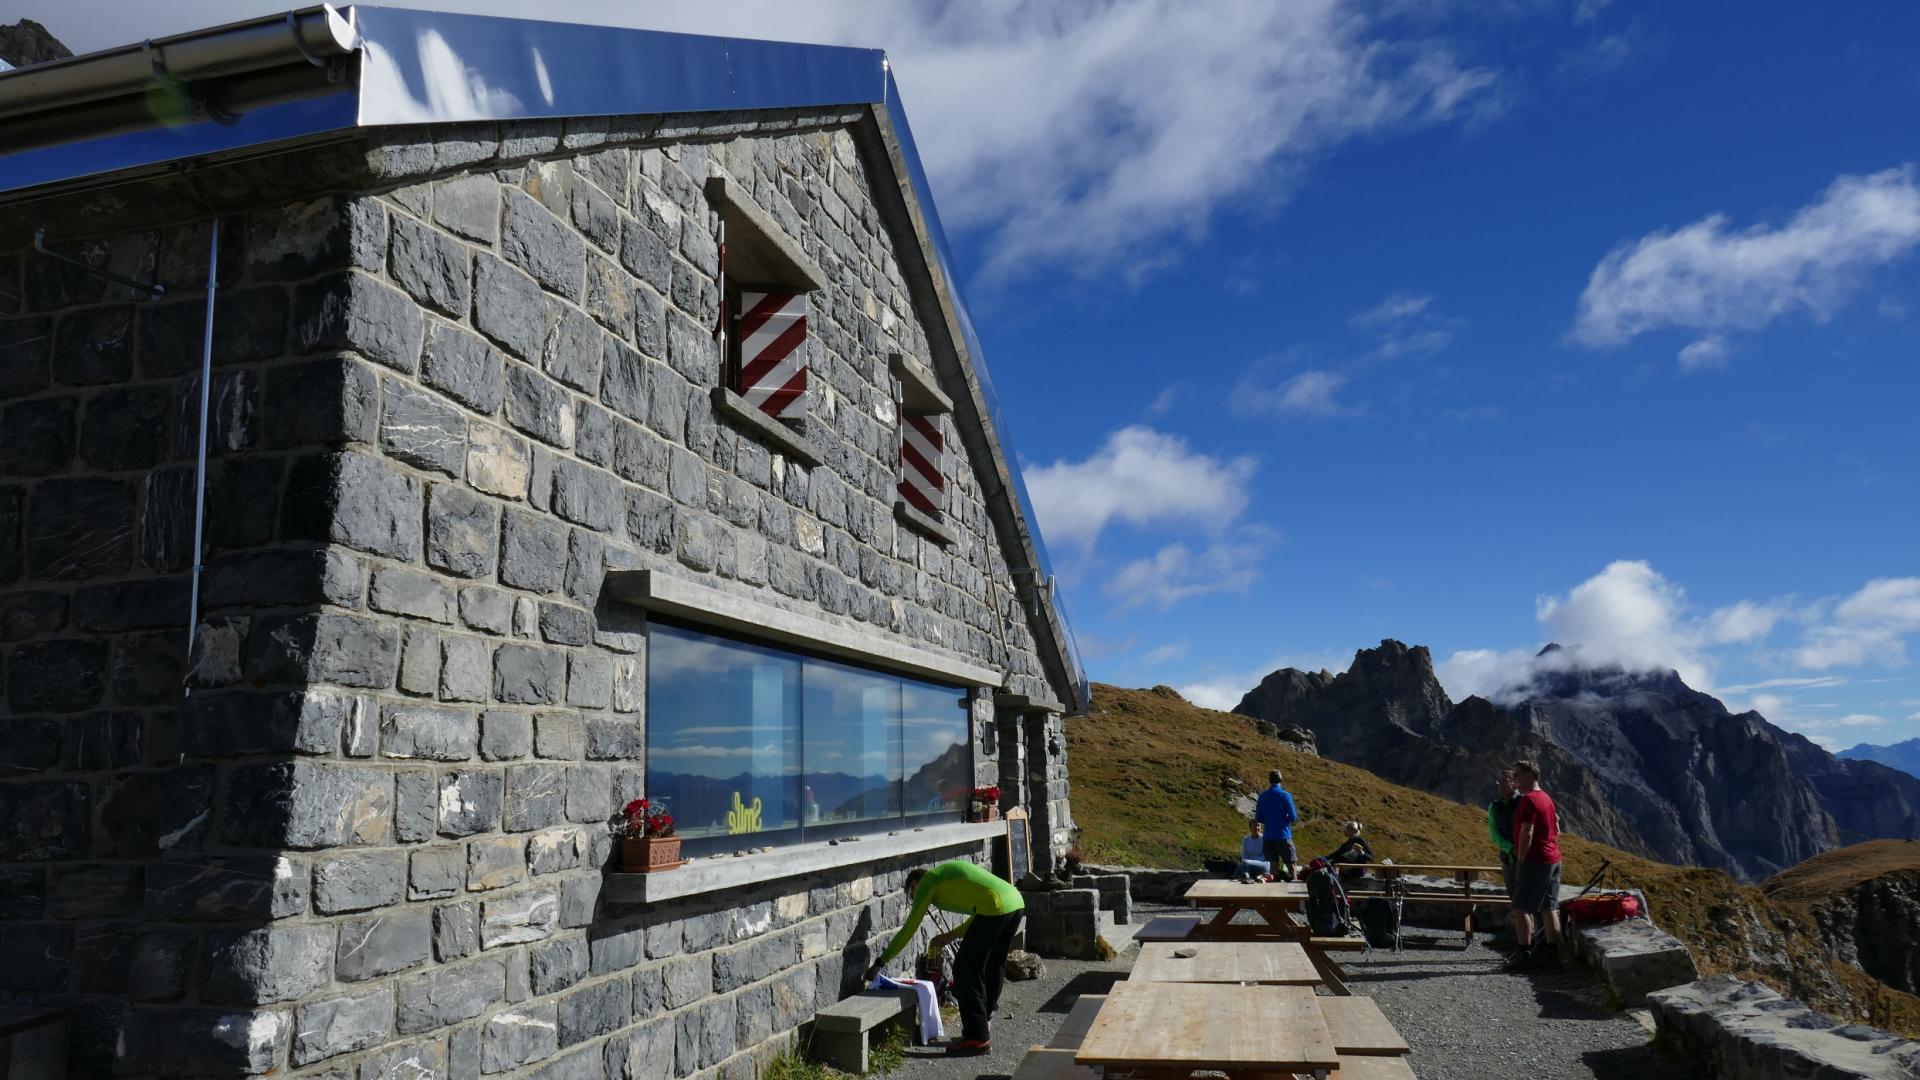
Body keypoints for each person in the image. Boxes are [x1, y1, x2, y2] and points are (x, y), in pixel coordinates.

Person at [866, 860, 1025, 1055]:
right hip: (1015, 901)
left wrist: (881, 961)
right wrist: (951, 936)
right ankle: (984, 1023)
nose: (914, 898)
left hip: (996, 905)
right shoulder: (943, 877)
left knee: (965, 968)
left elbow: (909, 929)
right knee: (993, 963)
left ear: (915, 884)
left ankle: (976, 1038)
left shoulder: (927, 882)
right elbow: (980, 910)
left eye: (911, 893)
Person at [1506, 759, 1563, 970]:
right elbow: (1556, 826)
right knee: (1549, 907)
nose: (1515, 781)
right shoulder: (1546, 797)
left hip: (1534, 860)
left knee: (1521, 909)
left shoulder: (1528, 800)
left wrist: (1521, 859)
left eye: (1517, 776)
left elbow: (1526, 832)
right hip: (1552, 858)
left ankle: (1525, 955)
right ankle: (1552, 955)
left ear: (1530, 774)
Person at [1255, 768, 1300, 881]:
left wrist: (1270, 820)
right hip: (1283, 835)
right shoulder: (1285, 795)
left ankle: (1274, 894)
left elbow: (1258, 818)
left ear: (1269, 781)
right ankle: (1295, 891)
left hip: (1268, 836)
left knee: (1273, 868)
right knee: (1291, 866)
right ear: (1281, 780)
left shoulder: (1263, 796)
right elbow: (1293, 817)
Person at [1487, 769, 1518, 901]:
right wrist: (1511, 848)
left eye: (1504, 780)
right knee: (1516, 904)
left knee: (1533, 903)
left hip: (1528, 862)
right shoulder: (1494, 806)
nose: (1500, 784)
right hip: (1508, 861)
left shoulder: (1525, 801)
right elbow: (1494, 833)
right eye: (1499, 781)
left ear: (1515, 783)